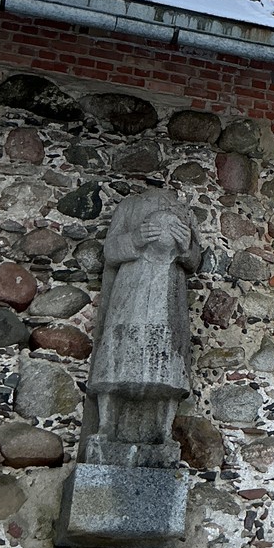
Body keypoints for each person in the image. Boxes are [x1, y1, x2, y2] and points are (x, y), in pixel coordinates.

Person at [86, 188, 202, 464]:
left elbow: (194, 260)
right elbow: (111, 251)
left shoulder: (184, 212)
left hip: (168, 291)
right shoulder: (129, 205)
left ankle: (163, 431)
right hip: (132, 288)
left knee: (168, 364)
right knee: (118, 357)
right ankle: (105, 428)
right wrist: (135, 239)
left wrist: (186, 247)